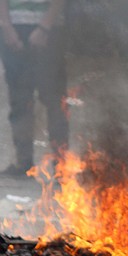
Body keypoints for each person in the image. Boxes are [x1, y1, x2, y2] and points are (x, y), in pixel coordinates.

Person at [0, 0, 68, 177]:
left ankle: (60, 166)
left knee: (55, 101)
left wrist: (44, 28)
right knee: (19, 100)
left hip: (50, 29)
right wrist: (6, 27)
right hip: (14, 27)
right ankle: (24, 164)